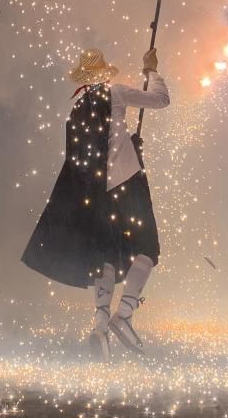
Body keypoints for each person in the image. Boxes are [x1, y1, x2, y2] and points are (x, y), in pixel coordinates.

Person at [21, 47, 170, 361]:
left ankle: (100, 326)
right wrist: (151, 71)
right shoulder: (115, 94)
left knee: (105, 257)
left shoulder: (76, 110)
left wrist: (132, 146)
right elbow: (160, 100)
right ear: (104, 75)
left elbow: (95, 153)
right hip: (127, 186)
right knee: (147, 249)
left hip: (94, 198)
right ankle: (124, 315)